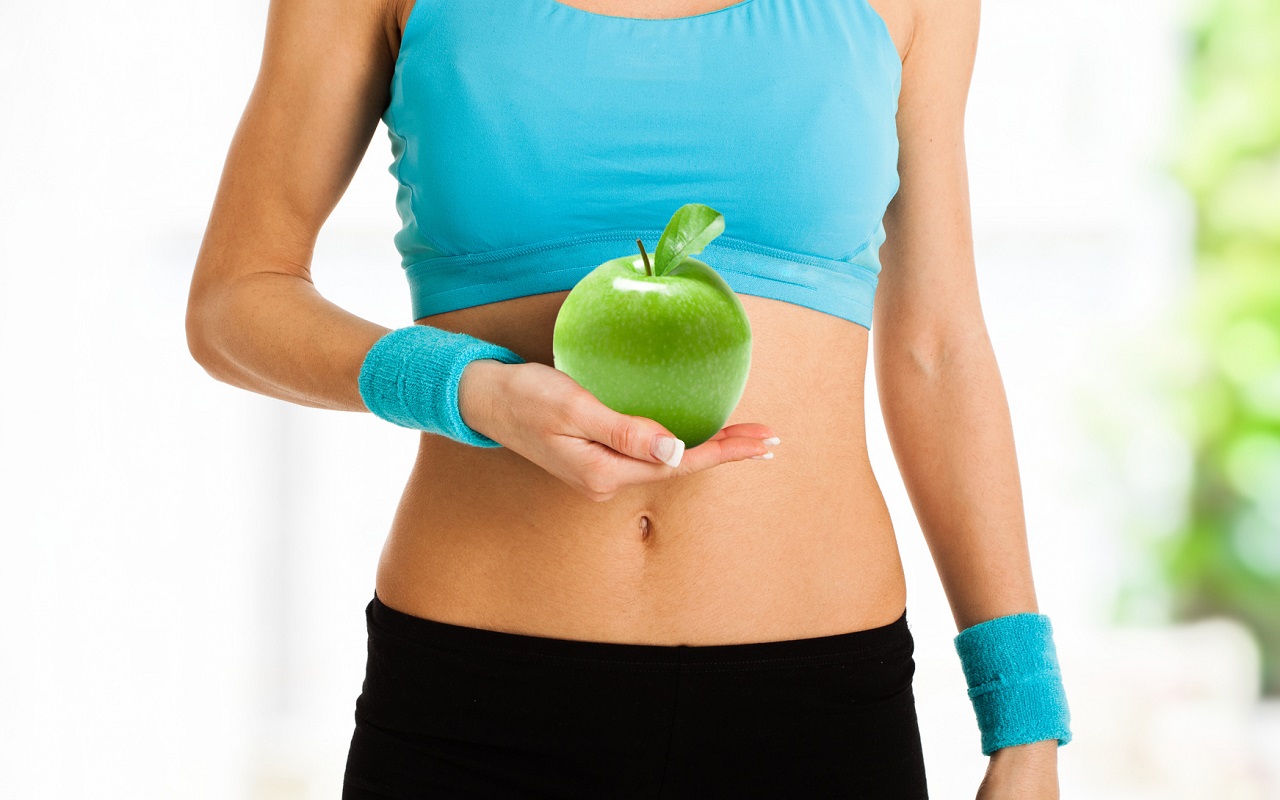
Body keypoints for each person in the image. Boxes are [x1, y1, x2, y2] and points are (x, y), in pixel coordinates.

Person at [186, 0, 1072, 796]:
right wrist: (468, 389)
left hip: (815, 708)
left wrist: (1024, 716)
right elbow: (236, 301)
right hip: (476, 708)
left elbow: (937, 347)